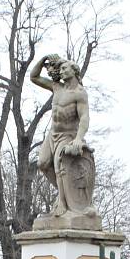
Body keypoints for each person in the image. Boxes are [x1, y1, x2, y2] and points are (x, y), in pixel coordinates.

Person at [30, 54, 96, 217]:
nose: (62, 71)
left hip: (68, 135)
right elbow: (34, 77)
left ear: (74, 71)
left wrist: (79, 139)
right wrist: (43, 59)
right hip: (53, 134)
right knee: (43, 164)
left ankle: (63, 204)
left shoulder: (80, 93)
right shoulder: (56, 87)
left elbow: (84, 118)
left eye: (65, 68)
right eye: (61, 69)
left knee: (60, 167)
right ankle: (65, 193)